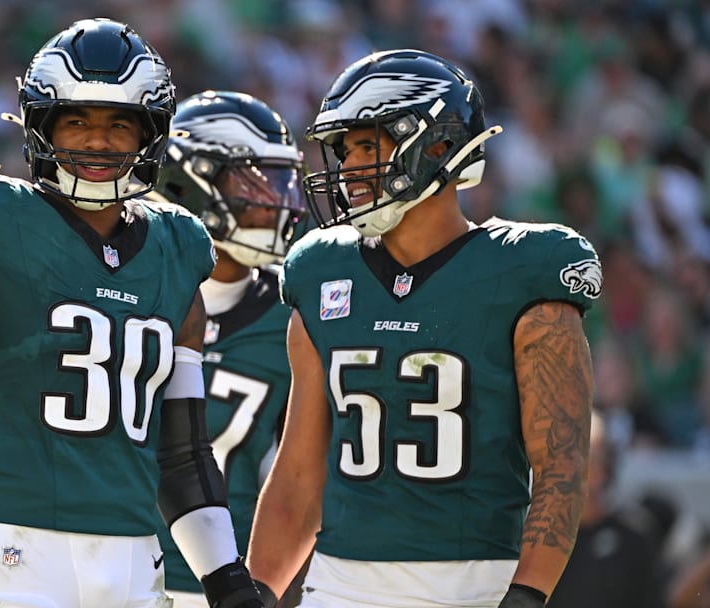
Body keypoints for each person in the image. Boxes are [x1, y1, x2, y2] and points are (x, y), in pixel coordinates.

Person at [0, 18, 268, 608]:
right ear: (42, 124)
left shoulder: (178, 249)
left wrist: (226, 579)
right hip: (17, 547)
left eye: (119, 123)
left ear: (149, 135)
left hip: (132, 554)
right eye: (77, 120)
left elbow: (183, 455)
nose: (98, 142)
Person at [246, 48, 602, 607]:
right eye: (346, 150)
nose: (350, 167)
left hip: (474, 584)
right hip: (340, 584)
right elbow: (297, 477)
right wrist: (257, 594)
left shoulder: (523, 269)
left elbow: (561, 465)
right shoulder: (322, 272)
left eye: (370, 144)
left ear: (438, 147)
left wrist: (528, 593)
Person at [151, 90, 307, 608]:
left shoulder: (294, 312)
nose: (275, 201)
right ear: (187, 182)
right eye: (253, 182)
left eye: (280, 181)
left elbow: (304, 482)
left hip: (223, 588)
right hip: (112, 567)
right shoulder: (124, 291)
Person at [547, 410, 666, 608]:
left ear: (608, 465)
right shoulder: (534, 541)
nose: (579, 468)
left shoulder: (635, 535)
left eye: (591, 458)